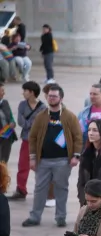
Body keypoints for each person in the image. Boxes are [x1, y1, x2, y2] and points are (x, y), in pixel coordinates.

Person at [23, 84, 82, 228]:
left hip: (62, 161)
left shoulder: (69, 116)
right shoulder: (41, 116)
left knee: (61, 188)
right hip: (43, 161)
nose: (52, 98)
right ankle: (34, 217)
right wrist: (32, 157)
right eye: (49, 96)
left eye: (54, 96)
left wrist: (76, 156)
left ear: (61, 98)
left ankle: (61, 217)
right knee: (39, 188)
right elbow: (33, 137)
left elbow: (78, 137)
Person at [8, 81, 45, 200]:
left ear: (32, 92)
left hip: (39, 141)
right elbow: (20, 121)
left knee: (41, 166)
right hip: (26, 140)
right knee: (23, 165)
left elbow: (41, 123)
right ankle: (21, 189)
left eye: (25, 91)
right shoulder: (22, 105)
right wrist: (31, 123)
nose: (23, 93)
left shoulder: (43, 107)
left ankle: (42, 190)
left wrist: (29, 124)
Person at [0, 83, 16, 163]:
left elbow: (10, 116)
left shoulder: (5, 102)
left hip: (6, 132)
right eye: (2, 90)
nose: (4, 93)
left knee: (4, 160)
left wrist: (12, 122)